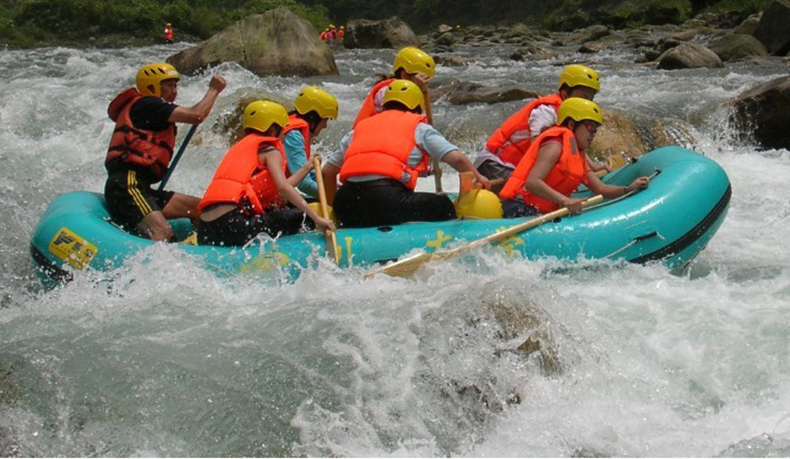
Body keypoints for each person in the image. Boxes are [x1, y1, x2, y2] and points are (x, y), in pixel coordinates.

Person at [326, 79, 489, 228]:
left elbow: (327, 172)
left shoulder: (358, 129)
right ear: (417, 106)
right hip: (386, 200)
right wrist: (479, 177)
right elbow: (458, 160)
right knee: (442, 204)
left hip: (346, 203)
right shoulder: (419, 127)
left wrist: (332, 208)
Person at [104, 62, 226, 241]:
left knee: (200, 210)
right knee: (163, 233)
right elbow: (196, 115)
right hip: (126, 185)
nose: (174, 90)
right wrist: (214, 90)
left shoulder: (156, 110)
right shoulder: (147, 104)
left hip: (143, 187)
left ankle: (203, 248)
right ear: (152, 87)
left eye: (175, 85)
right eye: (169, 85)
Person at [197, 101, 335, 246]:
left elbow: (280, 190)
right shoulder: (271, 151)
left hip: (205, 228)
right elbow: (283, 189)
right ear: (273, 129)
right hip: (234, 225)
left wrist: (307, 167)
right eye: (282, 129)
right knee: (302, 217)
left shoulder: (240, 148)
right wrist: (317, 218)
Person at [498, 98, 650, 218]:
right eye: (590, 127)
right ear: (571, 124)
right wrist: (565, 201)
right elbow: (532, 182)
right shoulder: (554, 145)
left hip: (540, 210)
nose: (593, 134)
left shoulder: (577, 154)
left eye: (595, 129)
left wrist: (628, 189)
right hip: (519, 206)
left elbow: (601, 189)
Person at [476, 64, 606, 192]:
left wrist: (593, 168)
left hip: (513, 165)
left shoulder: (570, 115)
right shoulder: (546, 111)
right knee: (529, 190)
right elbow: (537, 147)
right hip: (494, 164)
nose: (588, 103)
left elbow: (575, 147)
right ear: (565, 94)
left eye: (591, 99)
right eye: (584, 97)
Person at [352, 46, 435, 127]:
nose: (424, 83)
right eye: (421, 78)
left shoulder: (411, 95)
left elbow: (428, 126)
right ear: (404, 75)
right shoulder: (386, 91)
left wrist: (425, 92)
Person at [282, 86, 338, 200]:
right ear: (314, 117)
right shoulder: (293, 135)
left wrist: (334, 187)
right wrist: (336, 198)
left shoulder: (293, 129)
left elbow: (307, 175)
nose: (325, 126)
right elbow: (304, 184)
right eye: (325, 120)